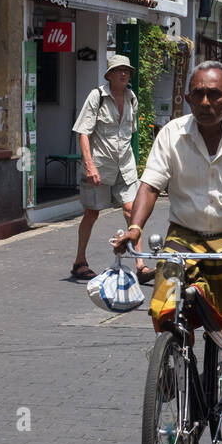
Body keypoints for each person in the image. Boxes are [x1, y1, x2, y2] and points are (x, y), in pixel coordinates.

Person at [111, 61, 222, 444]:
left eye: (214, 94)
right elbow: (150, 184)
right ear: (187, 97)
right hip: (183, 237)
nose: (206, 101)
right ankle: (172, 364)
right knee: (165, 311)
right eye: (198, 94)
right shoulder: (172, 133)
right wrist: (134, 227)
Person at [70, 54, 151, 283]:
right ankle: (79, 262)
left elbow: (129, 133)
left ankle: (140, 264)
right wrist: (90, 165)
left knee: (131, 210)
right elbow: (83, 133)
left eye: (126, 70)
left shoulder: (131, 97)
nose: (123, 74)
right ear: (110, 75)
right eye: (118, 70)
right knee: (91, 213)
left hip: (125, 165)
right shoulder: (97, 96)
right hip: (100, 166)